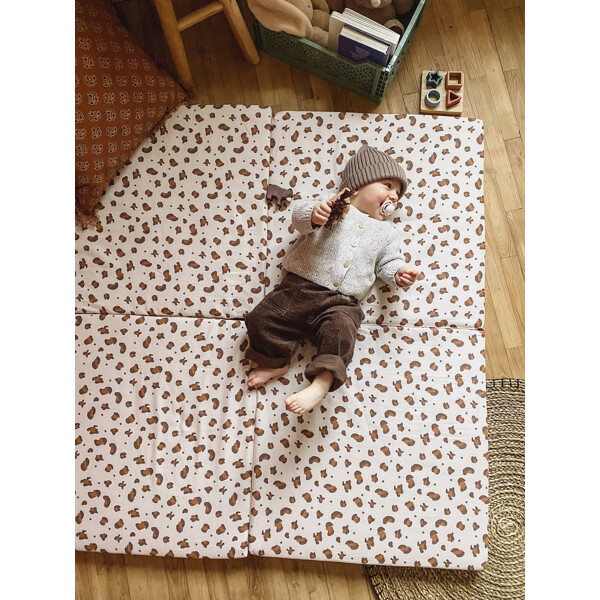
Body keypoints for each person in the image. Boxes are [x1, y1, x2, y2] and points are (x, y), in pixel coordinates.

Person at [244, 145, 420, 414]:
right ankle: (275, 361)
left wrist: (397, 274)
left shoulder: (386, 232)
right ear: (357, 187)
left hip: (340, 303)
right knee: (262, 318)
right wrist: (314, 215)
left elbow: (387, 263)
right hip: (297, 289)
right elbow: (300, 217)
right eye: (388, 186)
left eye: (398, 193)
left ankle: (322, 382)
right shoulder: (333, 205)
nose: (394, 197)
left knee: (341, 334)